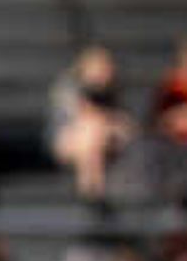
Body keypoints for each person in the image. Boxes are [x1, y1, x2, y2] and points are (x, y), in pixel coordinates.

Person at [49, 46, 133, 207]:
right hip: (69, 142)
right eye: (98, 68)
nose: (102, 73)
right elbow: (73, 119)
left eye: (105, 68)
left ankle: (91, 192)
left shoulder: (113, 93)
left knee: (95, 132)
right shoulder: (67, 89)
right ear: (85, 68)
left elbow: (126, 127)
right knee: (91, 130)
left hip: (104, 143)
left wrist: (110, 124)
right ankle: (93, 192)